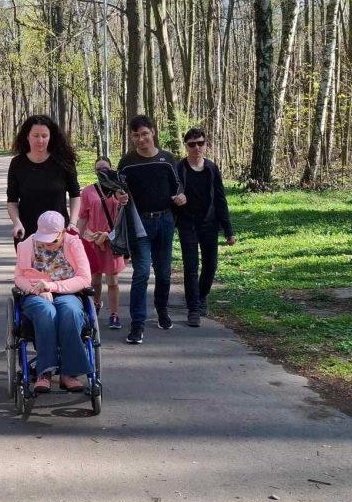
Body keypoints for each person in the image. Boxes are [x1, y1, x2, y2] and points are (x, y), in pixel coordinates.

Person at [117, 115, 185, 345]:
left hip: (165, 221)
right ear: (131, 137)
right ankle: (138, 323)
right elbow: (118, 189)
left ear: (153, 132)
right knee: (142, 273)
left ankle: (162, 309)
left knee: (163, 272)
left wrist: (181, 197)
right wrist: (119, 195)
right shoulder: (127, 162)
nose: (141, 139)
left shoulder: (167, 159)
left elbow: (178, 186)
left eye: (144, 134)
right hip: (139, 223)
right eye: (136, 135)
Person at [14, 211, 93, 393]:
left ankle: (69, 373)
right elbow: (19, 277)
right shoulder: (26, 245)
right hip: (36, 294)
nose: (48, 243)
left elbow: (84, 278)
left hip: (67, 291)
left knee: (71, 311)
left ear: (62, 232)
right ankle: (45, 372)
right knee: (45, 311)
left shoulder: (73, 243)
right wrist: (36, 290)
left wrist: (52, 286)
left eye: (52, 239)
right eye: (44, 239)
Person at [176, 128, 236, 327]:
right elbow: (171, 192)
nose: (197, 148)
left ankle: (201, 295)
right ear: (186, 146)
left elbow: (220, 198)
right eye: (192, 144)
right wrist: (176, 199)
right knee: (191, 267)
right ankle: (193, 309)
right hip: (187, 224)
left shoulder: (212, 168)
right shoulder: (179, 168)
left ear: (206, 145)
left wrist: (228, 230)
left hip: (209, 223)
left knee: (210, 265)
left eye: (200, 143)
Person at [6, 114, 82, 244]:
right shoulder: (17, 164)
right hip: (27, 233)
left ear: (50, 137)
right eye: (36, 136)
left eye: (44, 136)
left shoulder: (64, 161)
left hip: (58, 233)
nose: (40, 140)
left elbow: (75, 194)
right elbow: (12, 201)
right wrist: (17, 223)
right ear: (27, 136)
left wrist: (73, 223)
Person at [78, 157, 127, 331]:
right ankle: (96, 304)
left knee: (112, 280)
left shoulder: (119, 190)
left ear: (111, 169)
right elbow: (83, 216)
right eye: (99, 169)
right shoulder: (88, 191)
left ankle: (114, 314)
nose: (102, 172)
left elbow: (125, 214)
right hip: (93, 240)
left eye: (105, 168)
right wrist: (77, 238)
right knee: (95, 279)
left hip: (112, 240)